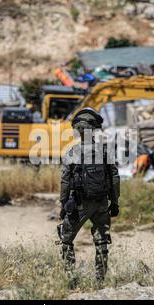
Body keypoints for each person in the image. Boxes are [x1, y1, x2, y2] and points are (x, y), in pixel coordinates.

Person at [58, 107, 120, 284]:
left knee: (66, 238)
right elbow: (115, 177)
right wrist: (114, 202)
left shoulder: (72, 152)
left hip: (80, 204)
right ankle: (100, 281)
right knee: (101, 241)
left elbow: (65, 181)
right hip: (101, 203)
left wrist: (63, 205)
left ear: (78, 130)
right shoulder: (105, 151)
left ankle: (70, 280)